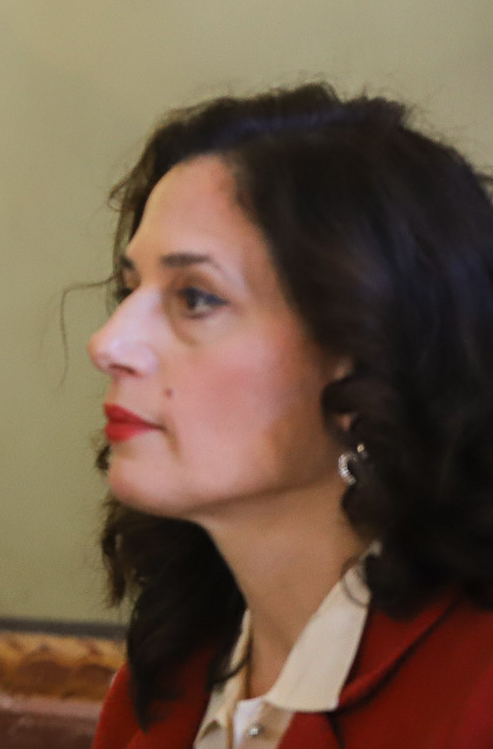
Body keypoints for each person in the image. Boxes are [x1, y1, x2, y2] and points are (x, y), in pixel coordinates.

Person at [88, 85, 493, 748]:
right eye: (132, 288)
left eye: (196, 297)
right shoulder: (171, 670)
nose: (107, 343)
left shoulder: (478, 694)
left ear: (369, 352)